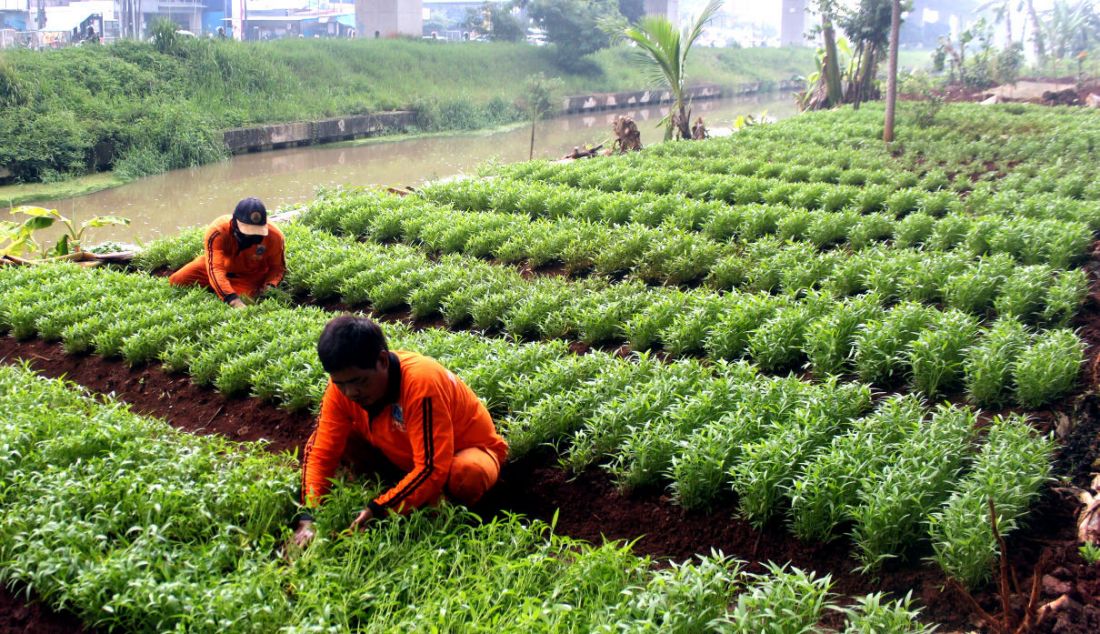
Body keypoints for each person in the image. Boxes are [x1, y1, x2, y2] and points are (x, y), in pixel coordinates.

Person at [292, 316, 509, 547]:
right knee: (338, 440)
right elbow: (321, 451)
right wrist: (309, 517)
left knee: (467, 474)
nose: (350, 392)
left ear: (383, 361)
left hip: (463, 451)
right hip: (405, 453)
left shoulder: (421, 383)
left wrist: (379, 509)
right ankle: (405, 493)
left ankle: (443, 510)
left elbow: (432, 467)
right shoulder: (342, 389)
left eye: (360, 382)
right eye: (340, 384)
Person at [168, 197, 286, 308]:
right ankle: (220, 286)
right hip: (218, 265)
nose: (251, 235)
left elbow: (277, 267)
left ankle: (221, 287)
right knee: (177, 281)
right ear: (234, 222)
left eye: (256, 231)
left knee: (246, 300)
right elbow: (215, 268)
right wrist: (233, 300)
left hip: (249, 275)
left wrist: (270, 284)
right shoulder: (218, 230)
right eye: (247, 230)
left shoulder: (275, 236)